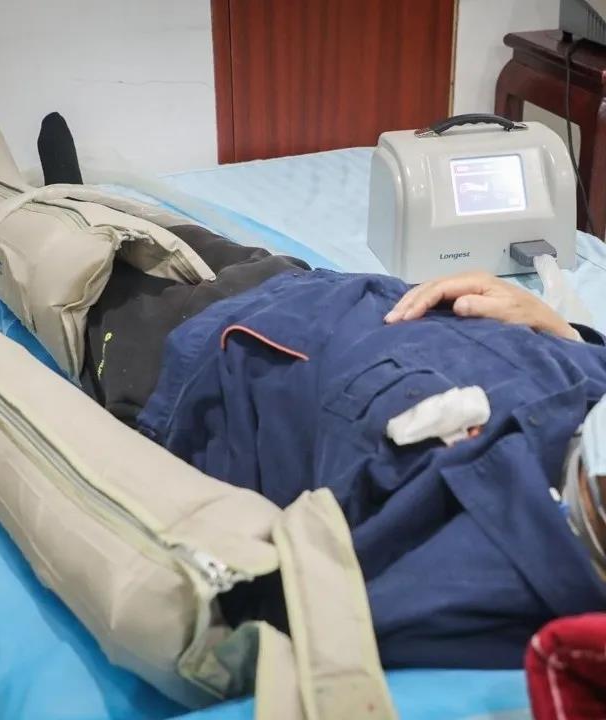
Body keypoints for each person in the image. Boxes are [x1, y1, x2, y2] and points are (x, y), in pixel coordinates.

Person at [41, 116, 606, 672]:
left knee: (78, 267)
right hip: (319, 290)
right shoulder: (590, 407)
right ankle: (77, 194)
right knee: (164, 231)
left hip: (211, 365)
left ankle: (53, 205)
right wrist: (564, 330)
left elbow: (274, 613)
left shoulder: (467, 583)